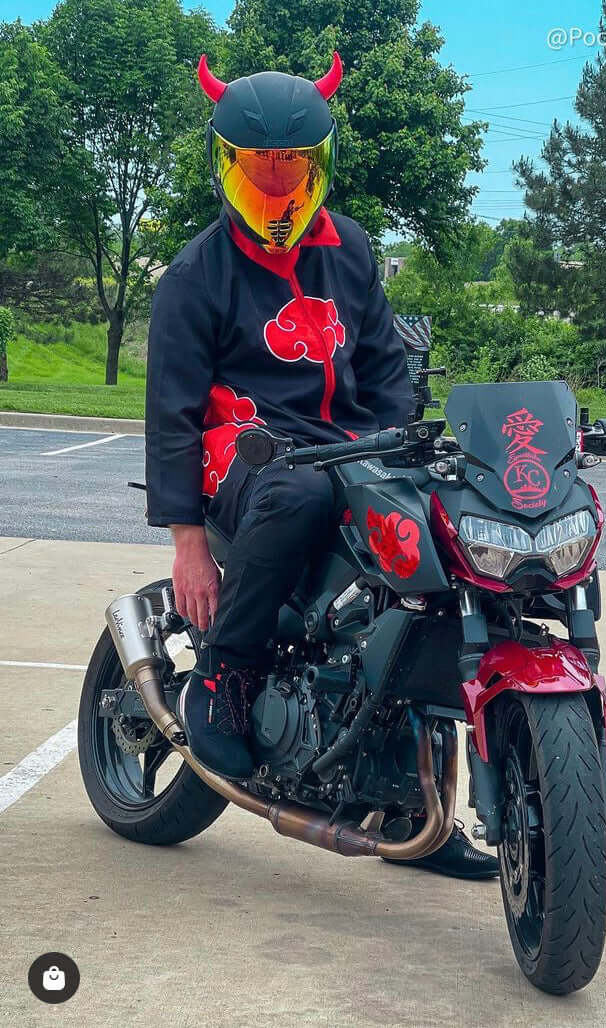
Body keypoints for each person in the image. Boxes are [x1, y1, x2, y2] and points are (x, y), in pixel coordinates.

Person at [144, 52, 497, 880]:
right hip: (247, 452)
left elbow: (382, 373)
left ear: (318, 163)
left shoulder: (351, 250)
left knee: (431, 546)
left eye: (292, 166)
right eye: (260, 167)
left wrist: (402, 454)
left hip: (348, 447)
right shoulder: (198, 274)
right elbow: (171, 413)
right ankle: (224, 676)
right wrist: (187, 541)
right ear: (227, 163)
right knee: (300, 492)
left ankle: (416, 806)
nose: (277, 186)